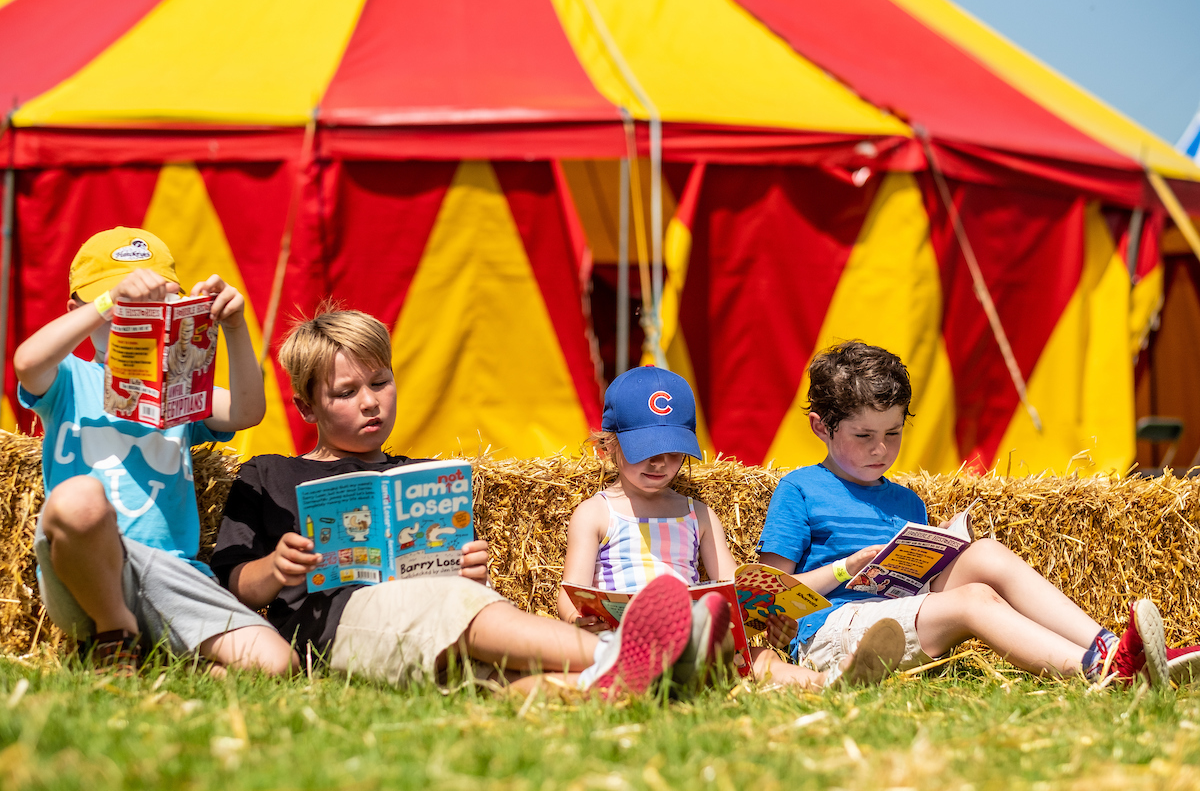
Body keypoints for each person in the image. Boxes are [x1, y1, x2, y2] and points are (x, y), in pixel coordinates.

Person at [210, 305, 708, 696]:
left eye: (381, 383)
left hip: (431, 627)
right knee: (455, 607)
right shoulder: (270, 473)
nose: (370, 401)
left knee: (495, 678)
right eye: (346, 392)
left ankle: (616, 684)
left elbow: (460, 583)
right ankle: (640, 652)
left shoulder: (422, 476)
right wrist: (278, 567)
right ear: (305, 406)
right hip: (336, 628)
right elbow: (233, 587)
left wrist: (473, 568)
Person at [757, 340, 1170, 687]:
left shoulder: (907, 501)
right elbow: (771, 595)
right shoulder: (800, 489)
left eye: (893, 434)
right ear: (820, 427)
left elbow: (922, 587)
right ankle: (1099, 672)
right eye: (863, 436)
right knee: (974, 600)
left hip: (907, 613)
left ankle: (1112, 647)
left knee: (986, 552)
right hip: (832, 631)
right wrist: (847, 568)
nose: (880, 449)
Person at [13, 226, 295, 676]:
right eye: (120, 305)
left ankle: (163, 665)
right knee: (77, 498)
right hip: (86, 573)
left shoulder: (178, 389)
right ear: (79, 311)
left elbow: (246, 411)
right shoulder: (68, 378)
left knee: (277, 666)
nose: (132, 315)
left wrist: (236, 327)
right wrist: (109, 302)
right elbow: (27, 362)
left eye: (150, 305)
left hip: (171, 575)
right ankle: (114, 629)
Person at [558, 365, 905, 689]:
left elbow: (733, 590)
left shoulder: (697, 513)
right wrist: (578, 620)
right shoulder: (595, 513)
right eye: (645, 450)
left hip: (690, 638)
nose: (660, 463)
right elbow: (571, 590)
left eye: (674, 452)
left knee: (758, 657)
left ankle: (825, 683)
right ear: (608, 445)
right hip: (623, 639)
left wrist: (767, 619)